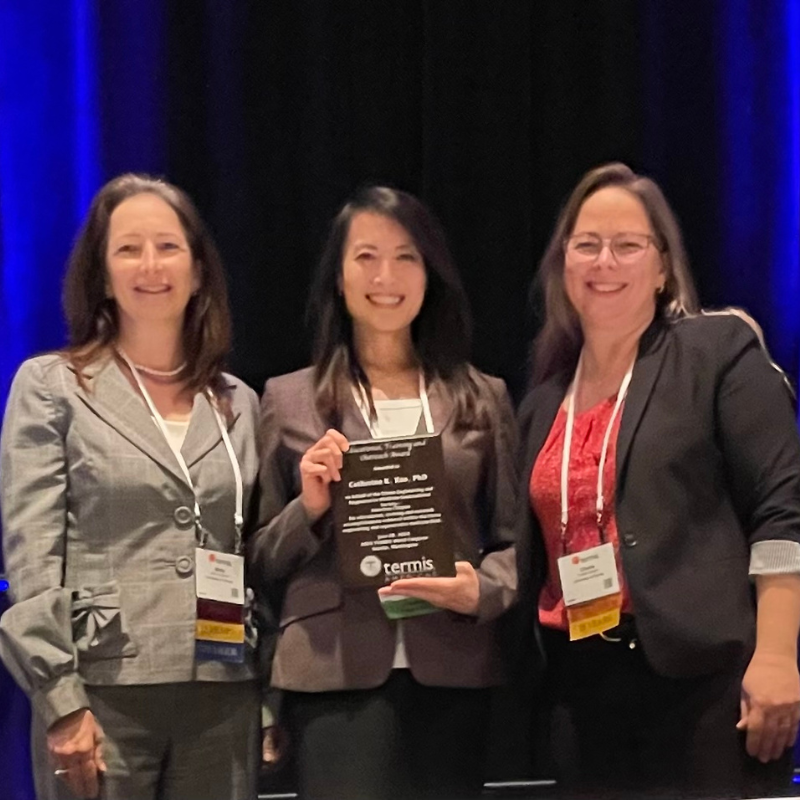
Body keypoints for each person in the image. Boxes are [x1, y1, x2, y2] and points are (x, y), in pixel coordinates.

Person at [517, 162, 800, 797]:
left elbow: (783, 510)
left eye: (627, 245)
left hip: (704, 684)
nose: (604, 262)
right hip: (579, 688)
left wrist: (778, 656)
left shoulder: (716, 353)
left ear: (663, 265)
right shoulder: (541, 404)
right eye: (586, 244)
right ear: (563, 263)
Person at [249, 186, 518, 799]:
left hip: (453, 665)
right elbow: (259, 556)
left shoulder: (484, 396)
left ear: (431, 275)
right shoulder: (286, 398)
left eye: (406, 257)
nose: (385, 276)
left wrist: (484, 588)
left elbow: (513, 542)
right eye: (366, 256)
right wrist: (310, 508)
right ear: (338, 279)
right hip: (331, 669)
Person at [0, 174, 262, 800]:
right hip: (100, 691)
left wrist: (268, 701)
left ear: (198, 269)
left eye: (168, 247)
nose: (151, 265)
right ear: (103, 270)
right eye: (129, 248)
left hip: (221, 689)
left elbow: (249, 551)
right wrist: (59, 698)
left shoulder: (238, 402)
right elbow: (33, 556)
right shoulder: (52, 387)